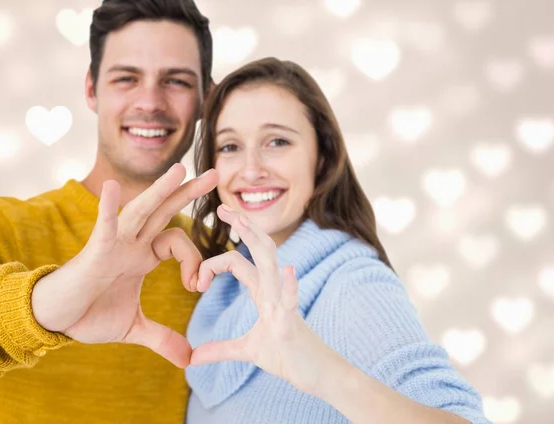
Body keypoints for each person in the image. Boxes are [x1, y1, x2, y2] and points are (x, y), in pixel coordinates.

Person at [185, 57, 492, 424]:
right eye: (230, 146)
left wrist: (325, 374)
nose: (251, 169)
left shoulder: (353, 284)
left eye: (277, 141)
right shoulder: (223, 291)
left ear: (323, 157)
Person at [0, 1, 218, 423]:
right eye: (127, 78)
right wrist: (49, 303)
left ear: (207, 96)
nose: (150, 101)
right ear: (92, 89)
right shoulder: (5, 226)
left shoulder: (214, 255)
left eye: (177, 81)